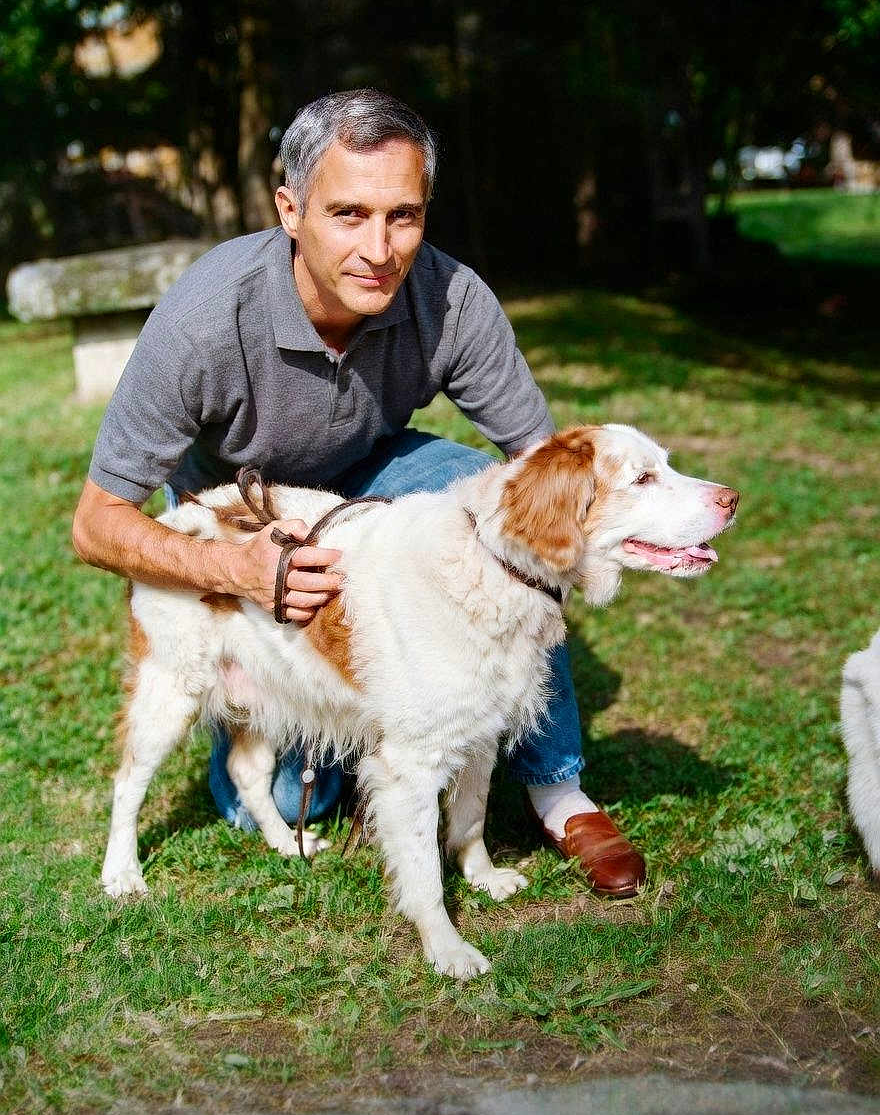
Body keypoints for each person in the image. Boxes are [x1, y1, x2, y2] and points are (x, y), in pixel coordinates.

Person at [73, 88, 645, 897]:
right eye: (348, 214)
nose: (379, 249)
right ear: (290, 210)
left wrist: (612, 536)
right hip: (243, 521)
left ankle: (557, 788)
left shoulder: (452, 298)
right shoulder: (204, 319)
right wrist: (237, 570)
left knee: (496, 516)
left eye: (403, 216)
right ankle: (334, 734)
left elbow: (541, 473)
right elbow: (95, 525)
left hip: (375, 476)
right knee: (284, 803)